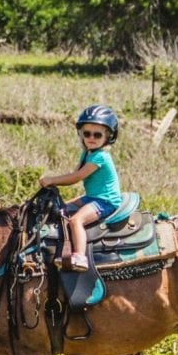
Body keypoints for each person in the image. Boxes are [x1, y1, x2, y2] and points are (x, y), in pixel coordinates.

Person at [38, 104, 123, 272]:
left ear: (108, 137)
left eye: (97, 134)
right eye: (87, 133)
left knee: (77, 220)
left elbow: (76, 177)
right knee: (64, 207)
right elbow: (74, 172)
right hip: (92, 196)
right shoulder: (87, 153)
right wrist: (53, 181)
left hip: (105, 201)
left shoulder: (101, 157)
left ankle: (79, 256)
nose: (91, 137)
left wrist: (51, 180)